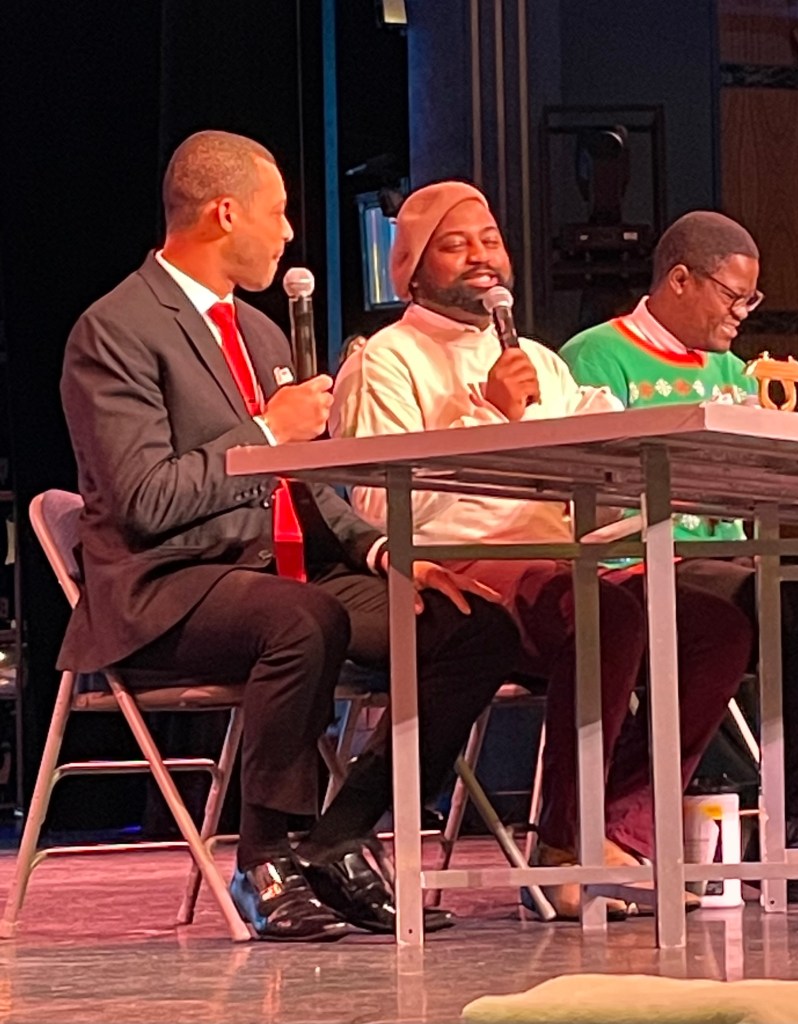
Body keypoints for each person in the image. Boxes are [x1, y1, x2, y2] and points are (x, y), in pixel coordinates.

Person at [59, 132, 520, 941]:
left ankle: (339, 835)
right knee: (303, 619)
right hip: (169, 583)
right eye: (276, 214)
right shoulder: (116, 328)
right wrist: (268, 433)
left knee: (473, 627)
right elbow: (142, 500)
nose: (288, 233)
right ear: (224, 213)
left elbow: (303, 487)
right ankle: (263, 857)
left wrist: (386, 554)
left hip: (281, 575)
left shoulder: (263, 334)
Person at [329, 181, 754, 919]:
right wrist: (490, 417)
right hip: (458, 566)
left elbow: (599, 460)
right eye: (455, 245)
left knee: (715, 627)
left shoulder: (540, 361)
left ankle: (618, 825)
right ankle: (562, 848)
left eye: (490, 240)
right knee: (607, 615)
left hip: (566, 561)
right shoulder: (387, 360)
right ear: (412, 271)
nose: (480, 256)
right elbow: (380, 506)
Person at [561, 210, 798, 899]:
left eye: (751, 298)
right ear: (680, 280)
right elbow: (590, 487)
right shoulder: (595, 355)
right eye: (733, 295)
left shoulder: (731, 372)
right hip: (643, 562)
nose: (743, 313)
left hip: (736, 559)